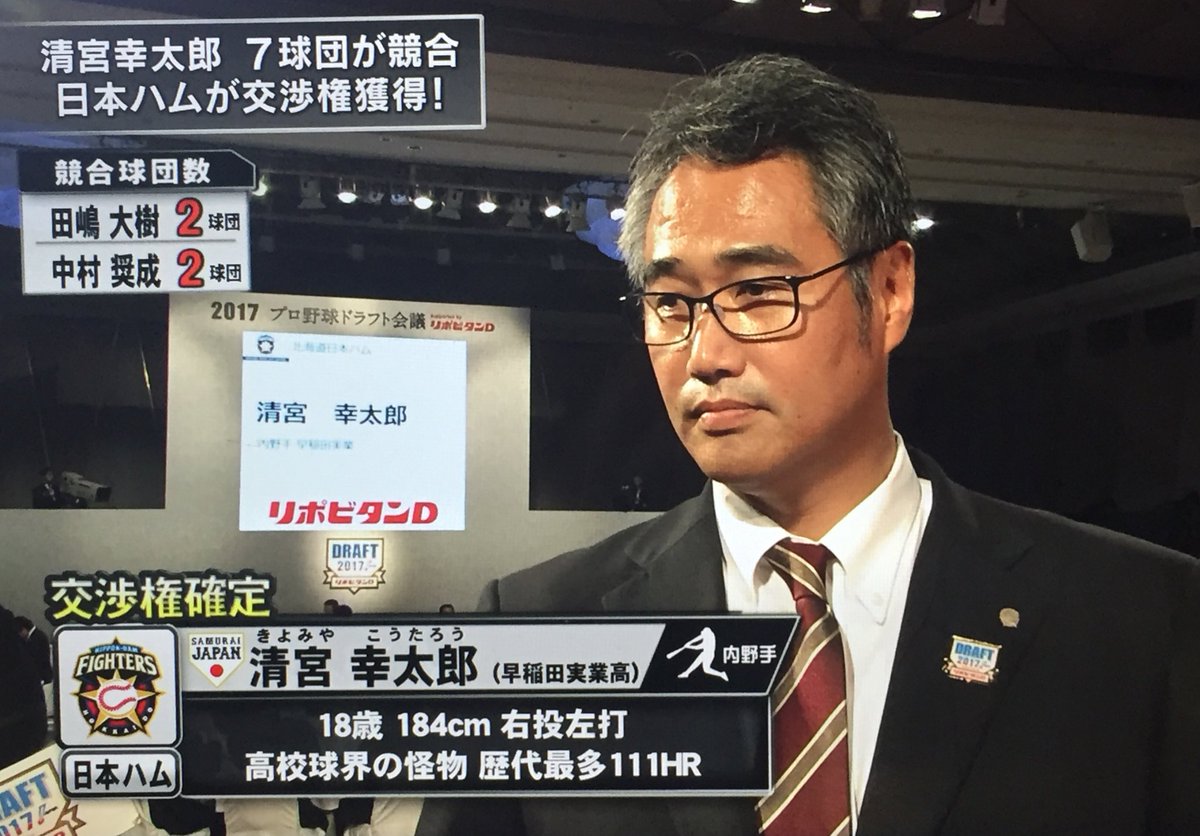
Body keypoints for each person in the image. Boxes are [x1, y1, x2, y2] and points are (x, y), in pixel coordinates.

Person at [417, 55, 1200, 835]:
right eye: (671, 302)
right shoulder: (537, 630)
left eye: (759, 292)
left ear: (889, 291)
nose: (704, 354)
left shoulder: (1138, 620)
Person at [14, 615, 52, 684]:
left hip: (42, 676)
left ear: (24, 629)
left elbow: (36, 658)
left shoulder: (37, 638)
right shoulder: (37, 636)